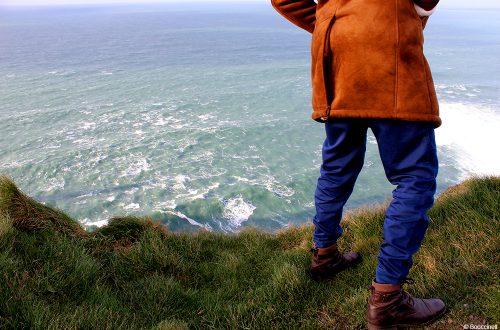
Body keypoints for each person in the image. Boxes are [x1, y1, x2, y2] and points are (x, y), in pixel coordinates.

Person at [271, 0, 446, 328]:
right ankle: (387, 299)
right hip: (388, 50)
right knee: (414, 175)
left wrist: (330, 23)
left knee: (337, 164)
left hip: (335, 58)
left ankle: (324, 256)